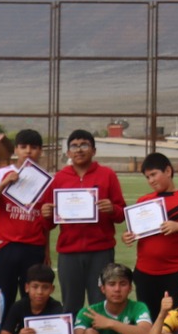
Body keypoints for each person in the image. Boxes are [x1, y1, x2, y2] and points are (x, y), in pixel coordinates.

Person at [123, 152, 178, 320]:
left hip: (176, 272)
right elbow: (133, 232)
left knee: (176, 321)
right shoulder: (144, 201)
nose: (151, 180)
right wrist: (127, 237)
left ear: (168, 171)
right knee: (150, 321)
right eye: (147, 177)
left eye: (154, 174)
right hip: (145, 272)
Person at [51, 129, 126, 323]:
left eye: (84, 145)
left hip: (101, 251)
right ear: (68, 153)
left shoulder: (107, 175)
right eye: (74, 146)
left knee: (101, 303)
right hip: (69, 252)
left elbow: (121, 214)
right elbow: (49, 220)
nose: (79, 150)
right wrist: (46, 213)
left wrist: (112, 209)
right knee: (70, 304)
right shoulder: (59, 178)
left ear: (94, 150)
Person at [0, 129, 55, 314]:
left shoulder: (46, 180)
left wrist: (46, 249)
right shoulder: (3, 173)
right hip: (5, 245)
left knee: (32, 301)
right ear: (16, 149)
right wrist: (4, 184)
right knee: (2, 298)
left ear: (41, 151)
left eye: (34, 147)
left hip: (33, 246)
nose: (28, 151)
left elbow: (48, 223)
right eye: (23, 147)